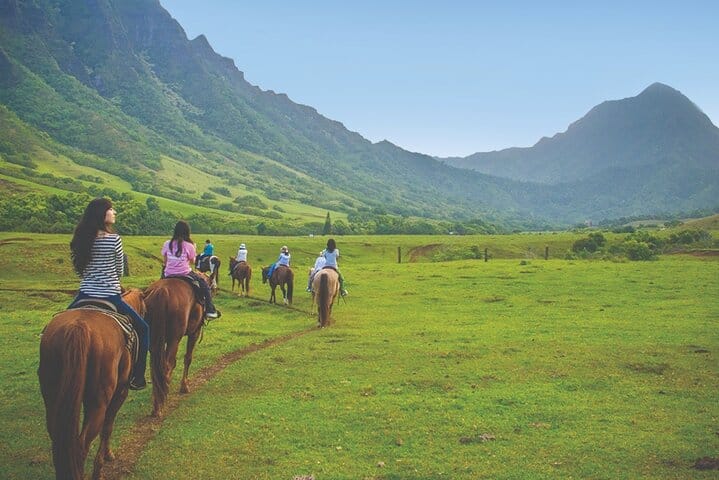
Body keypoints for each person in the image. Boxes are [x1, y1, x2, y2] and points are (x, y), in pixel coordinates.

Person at [69, 198, 150, 390]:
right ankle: (138, 376)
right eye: (111, 209)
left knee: (49, 328)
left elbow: (79, 268)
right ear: (102, 214)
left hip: (84, 294)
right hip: (110, 295)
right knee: (144, 328)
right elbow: (120, 270)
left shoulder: (81, 238)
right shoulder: (114, 239)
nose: (114, 212)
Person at [162, 221, 221, 319]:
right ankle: (210, 310)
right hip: (185, 273)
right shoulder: (189, 245)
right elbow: (193, 261)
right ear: (187, 232)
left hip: (168, 274)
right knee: (205, 286)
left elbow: (165, 261)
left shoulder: (167, 243)